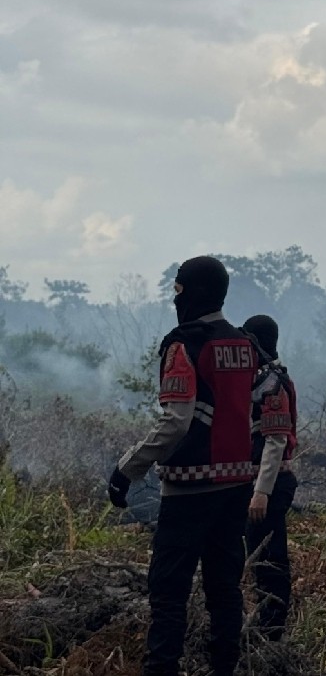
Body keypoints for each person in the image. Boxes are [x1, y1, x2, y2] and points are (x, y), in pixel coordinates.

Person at [108, 256, 259, 676]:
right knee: (224, 591)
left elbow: (175, 421)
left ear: (193, 292)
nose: (176, 299)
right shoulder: (245, 344)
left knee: (169, 594)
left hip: (189, 491)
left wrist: (126, 469)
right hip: (237, 488)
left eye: (178, 290)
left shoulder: (184, 344)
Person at [241, 314, 298, 642]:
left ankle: (272, 630)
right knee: (260, 558)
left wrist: (261, 491)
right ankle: (264, 624)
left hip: (271, 485)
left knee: (271, 558)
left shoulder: (271, 383)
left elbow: (275, 440)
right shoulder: (261, 378)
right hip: (259, 482)